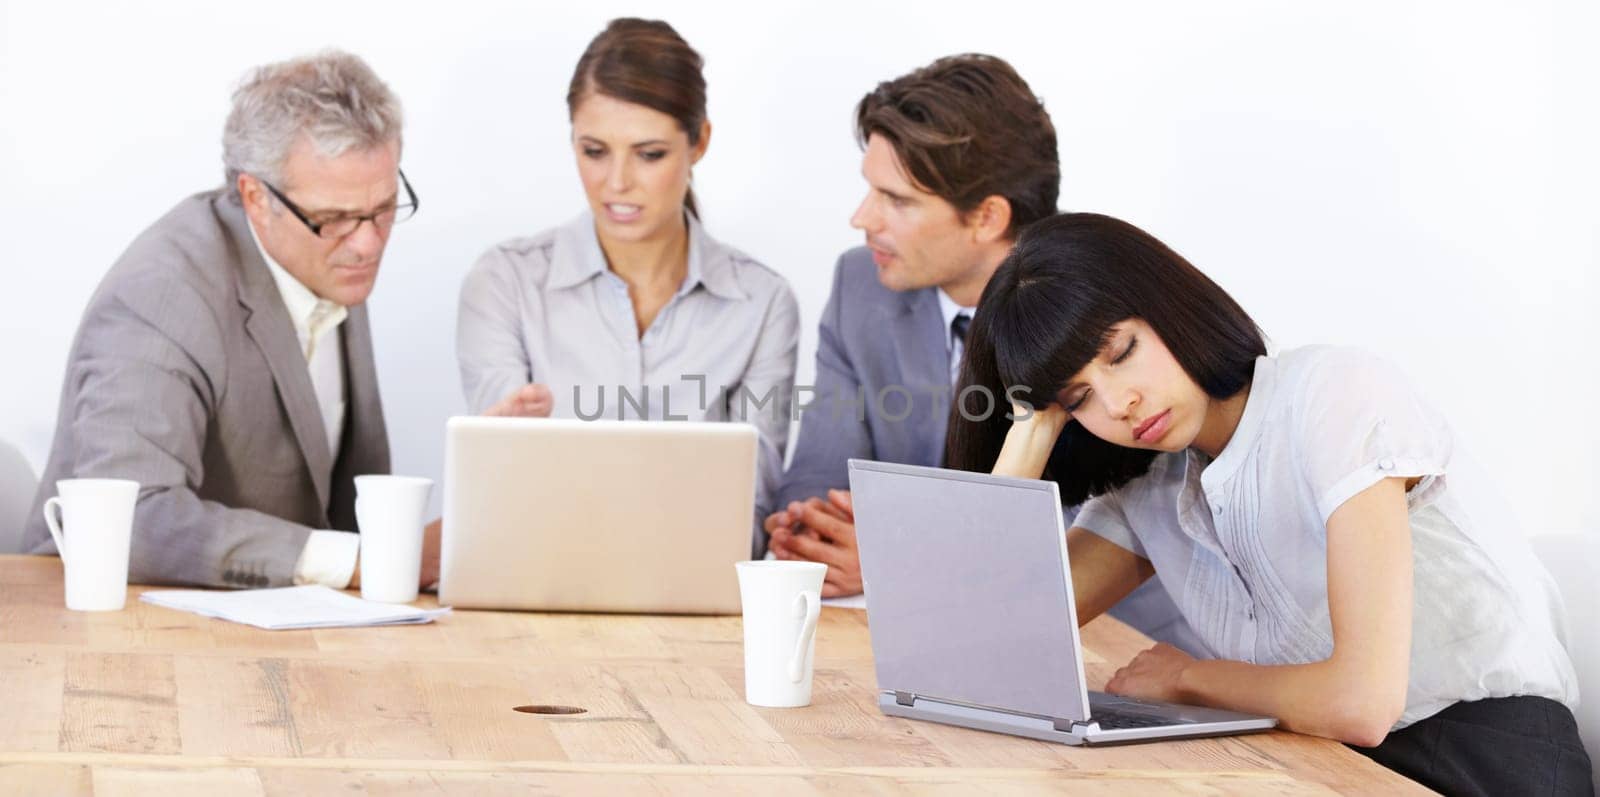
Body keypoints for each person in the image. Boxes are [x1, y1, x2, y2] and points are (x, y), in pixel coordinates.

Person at [948, 212, 1590, 795]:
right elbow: (986, 650)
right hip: (1312, 764)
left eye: (1122, 352)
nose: (1119, 403)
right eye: (1079, 397)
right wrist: (1029, 432)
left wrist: (1190, 679)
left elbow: (1363, 703)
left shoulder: (1334, 396)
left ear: (1169, 307)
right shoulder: (1149, 486)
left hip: (1485, 763)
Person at [761, 53, 1197, 656]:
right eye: (869, 189)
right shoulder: (860, 286)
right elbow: (816, 474)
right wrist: (812, 532)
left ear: (988, 217)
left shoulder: (1101, 299)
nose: (862, 218)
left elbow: (1077, 528)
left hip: (1109, 647)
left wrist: (895, 557)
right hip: (921, 635)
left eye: (898, 199)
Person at [23, 51, 431, 590]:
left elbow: (332, 499)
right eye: (335, 219)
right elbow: (130, 517)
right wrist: (358, 561)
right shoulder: (162, 297)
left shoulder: (326, 254)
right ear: (256, 197)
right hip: (113, 623)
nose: (368, 243)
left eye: (382, 208)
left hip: (278, 623)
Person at [457, 18, 799, 547]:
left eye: (649, 154)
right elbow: (512, 495)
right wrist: (496, 452)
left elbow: (748, 509)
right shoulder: (505, 282)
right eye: (594, 151)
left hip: (693, 582)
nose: (616, 183)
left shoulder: (761, 303)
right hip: (542, 574)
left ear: (699, 141)